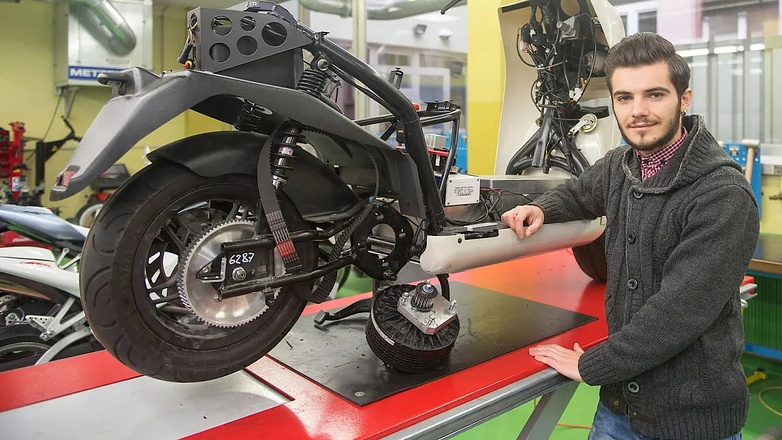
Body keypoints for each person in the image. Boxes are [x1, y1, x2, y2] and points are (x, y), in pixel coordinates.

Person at [501, 32, 759, 440]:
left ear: (684, 99)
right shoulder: (620, 164)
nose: (638, 111)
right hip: (617, 409)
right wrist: (542, 208)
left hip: (691, 422)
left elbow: (676, 314)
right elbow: (578, 193)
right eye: (624, 97)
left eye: (654, 95)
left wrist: (592, 365)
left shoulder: (721, 194)